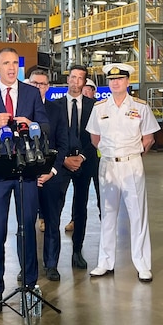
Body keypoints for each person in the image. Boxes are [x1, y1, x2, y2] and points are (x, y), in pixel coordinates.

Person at [0, 47, 49, 314]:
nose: (11, 67)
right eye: (6, 63)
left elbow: (46, 125)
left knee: (27, 228)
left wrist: (32, 123)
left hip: (26, 169)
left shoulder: (30, 93)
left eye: (15, 63)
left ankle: (30, 286)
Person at [85, 63, 159, 282]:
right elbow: (95, 138)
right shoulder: (100, 108)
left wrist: (132, 156)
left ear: (128, 82)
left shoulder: (140, 107)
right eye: (111, 80)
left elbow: (149, 138)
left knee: (138, 215)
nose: (115, 83)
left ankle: (143, 265)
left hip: (132, 164)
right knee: (107, 214)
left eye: (120, 79)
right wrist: (110, 153)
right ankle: (105, 262)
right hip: (108, 164)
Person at [52, 64, 96, 269]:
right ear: (67, 79)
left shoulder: (94, 106)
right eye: (72, 77)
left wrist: (83, 157)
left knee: (80, 207)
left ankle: (77, 251)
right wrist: (63, 160)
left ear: (84, 82)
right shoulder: (55, 106)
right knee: (56, 207)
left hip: (84, 163)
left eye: (80, 78)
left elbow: (96, 137)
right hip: (61, 164)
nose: (75, 81)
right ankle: (52, 258)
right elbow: (52, 138)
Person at [31, 67, 69, 281]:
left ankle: (51, 264)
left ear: (48, 87)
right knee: (26, 224)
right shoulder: (20, 109)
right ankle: (27, 267)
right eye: (35, 83)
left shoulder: (56, 110)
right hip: (27, 177)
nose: (39, 87)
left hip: (52, 176)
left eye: (43, 84)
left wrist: (52, 171)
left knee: (52, 222)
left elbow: (63, 143)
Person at [67, 76, 101, 232]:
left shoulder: (99, 108)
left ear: (94, 92)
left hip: (98, 159)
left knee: (102, 191)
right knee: (80, 193)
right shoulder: (75, 106)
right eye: (84, 88)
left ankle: (105, 218)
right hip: (81, 157)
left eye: (89, 89)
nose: (86, 91)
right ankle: (75, 219)